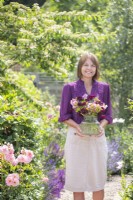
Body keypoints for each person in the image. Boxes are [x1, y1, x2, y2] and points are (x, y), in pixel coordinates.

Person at [59, 52, 112, 200]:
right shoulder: (69, 88)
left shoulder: (104, 88)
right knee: (78, 181)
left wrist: (101, 126)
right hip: (77, 137)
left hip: (97, 138)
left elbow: (108, 115)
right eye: (86, 65)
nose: (89, 68)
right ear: (80, 67)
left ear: (96, 68)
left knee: (98, 180)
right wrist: (77, 127)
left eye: (92, 65)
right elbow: (64, 115)